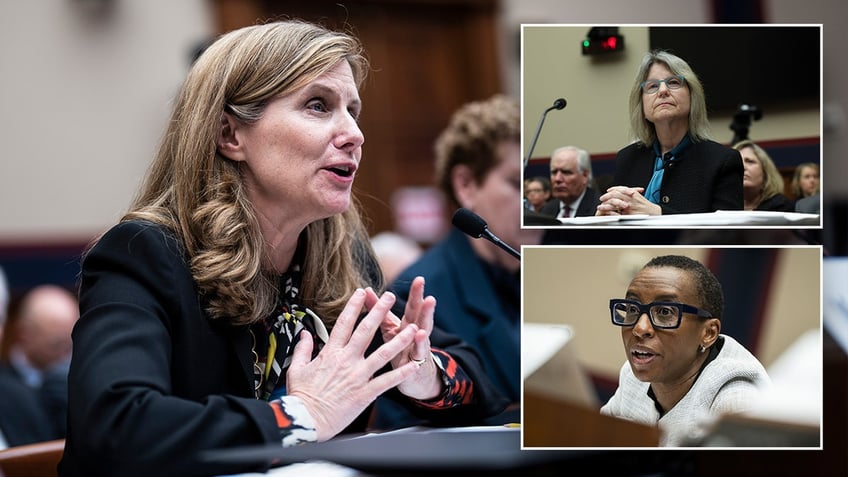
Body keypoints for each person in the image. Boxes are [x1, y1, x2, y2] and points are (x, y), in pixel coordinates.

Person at [58, 20, 508, 477]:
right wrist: (303, 414)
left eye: (353, 110)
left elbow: (481, 386)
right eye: (318, 105)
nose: (355, 133)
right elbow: (116, 427)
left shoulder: (341, 255)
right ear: (230, 136)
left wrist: (420, 373)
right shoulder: (144, 253)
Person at [375, 95, 543, 429]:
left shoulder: (557, 272)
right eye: (517, 183)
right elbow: (402, 434)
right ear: (465, 185)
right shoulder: (415, 295)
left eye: (544, 185)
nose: (537, 202)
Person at [600, 255, 771, 446]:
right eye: (632, 309)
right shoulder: (632, 376)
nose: (640, 328)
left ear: (708, 333)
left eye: (665, 312)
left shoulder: (738, 400)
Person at [597, 50, 743, 216]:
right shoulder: (627, 159)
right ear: (642, 105)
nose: (663, 91)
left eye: (673, 82)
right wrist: (602, 223)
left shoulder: (722, 161)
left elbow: (728, 234)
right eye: (652, 86)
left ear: (692, 96)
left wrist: (658, 214)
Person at [0, 284, 79, 440]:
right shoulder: (6, 388)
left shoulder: (79, 381)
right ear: (24, 334)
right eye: (58, 345)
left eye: (72, 345)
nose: (67, 355)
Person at [733, 140, 794, 212]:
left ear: (765, 172)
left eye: (750, 161)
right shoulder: (719, 206)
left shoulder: (781, 205)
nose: (742, 167)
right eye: (737, 162)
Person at [539, 146, 599, 218]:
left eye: (566, 172)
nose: (557, 179)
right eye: (554, 172)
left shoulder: (599, 209)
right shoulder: (546, 210)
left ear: (585, 176)